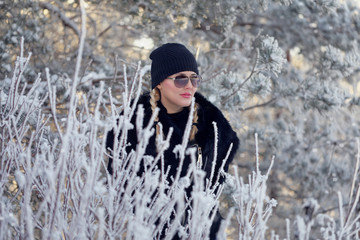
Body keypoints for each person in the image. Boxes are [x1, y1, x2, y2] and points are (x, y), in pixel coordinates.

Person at [106, 43, 239, 239]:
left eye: (194, 79)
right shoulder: (132, 125)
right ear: (159, 82)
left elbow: (212, 187)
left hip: (204, 231)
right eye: (180, 79)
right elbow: (122, 189)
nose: (189, 86)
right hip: (151, 231)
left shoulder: (213, 128)